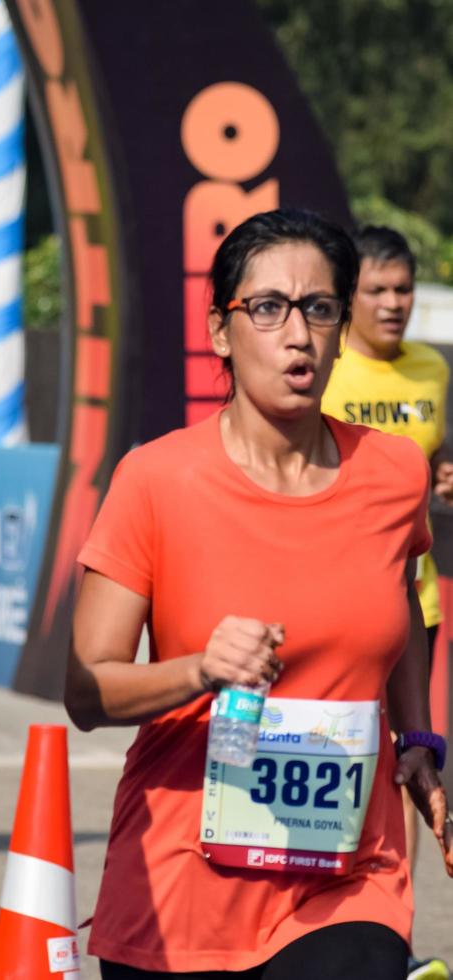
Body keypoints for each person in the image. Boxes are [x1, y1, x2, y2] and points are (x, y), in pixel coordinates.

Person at [66, 208, 453, 979]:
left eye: (319, 308)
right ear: (220, 331)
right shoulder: (156, 479)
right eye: (268, 308)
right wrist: (198, 670)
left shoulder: (394, 473)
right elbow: (86, 690)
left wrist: (416, 743)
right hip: (182, 878)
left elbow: (404, 598)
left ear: (342, 329)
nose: (299, 334)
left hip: (346, 875)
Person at [321, 225, 453, 980]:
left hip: (414, 600)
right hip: (338, 602)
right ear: (349, 300)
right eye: (377, 290)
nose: (394, 303)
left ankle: (391, 941)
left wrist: (441, 480)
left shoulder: (432, 369)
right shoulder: (328, 371)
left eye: (403, 289)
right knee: (341, 760)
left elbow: (425, 463)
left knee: (409, 767)